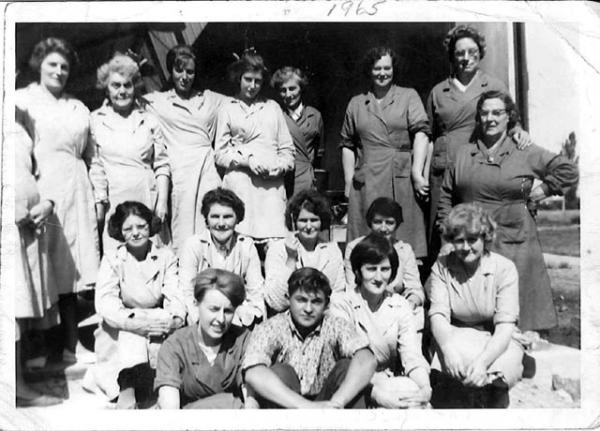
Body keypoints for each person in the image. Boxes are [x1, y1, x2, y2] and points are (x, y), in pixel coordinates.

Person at [436, 91, 578, 332]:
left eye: (497, 113)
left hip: (514, 238)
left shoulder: (524, 150)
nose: (490, 118)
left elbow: (568, 171)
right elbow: (447, 197)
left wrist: (542, 190)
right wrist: (447, 238)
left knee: (516, 311)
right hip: (472, 238)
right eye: (485, 113)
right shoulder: (463, 154)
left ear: (509, 117)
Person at [15, 37, 99, 364]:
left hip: (76, 188)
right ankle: (36, 350)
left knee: (71, 270)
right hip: (40, 188)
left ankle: (70, 346)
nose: (59, 71)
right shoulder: (22, 100)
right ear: (39, 65)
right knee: (38, 267)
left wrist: (99, 196)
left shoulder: (77, 106)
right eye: (52, 64)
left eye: (64, 66)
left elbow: (92, 155)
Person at [424, 25, 532, 262]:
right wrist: (422, 173)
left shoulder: (494, 86)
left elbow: (510, 122)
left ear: (480, 53)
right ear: (452, 55)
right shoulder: (438, 91)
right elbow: (428, 137)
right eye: (460, 53)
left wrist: (520, 131)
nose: (466, 58)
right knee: (443, 231)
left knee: (476, 230)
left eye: (472, 52)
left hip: (476, 170)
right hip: (442, 170)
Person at [84, 201, 186, 407]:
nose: (136, 233)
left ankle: (159, 384)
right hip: (124, 322)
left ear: (150, 226)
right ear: (120, 232)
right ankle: (126, 387)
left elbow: (174, 293)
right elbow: (106, 301)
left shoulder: (166, 256)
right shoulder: (113, 258)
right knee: (128, 332)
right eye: (128, 228)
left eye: (141, 226)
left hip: (158, 318)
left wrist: (174, 319)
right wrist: (133, 323)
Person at [426, 203, 524, 408]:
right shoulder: (442, 265)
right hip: (455, 334)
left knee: (502, 366)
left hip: (496, 337)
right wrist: (448, 350)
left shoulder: (504, 268)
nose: (465, 247)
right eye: (459, 241)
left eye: (472, 240)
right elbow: (438, 315)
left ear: (485, 238)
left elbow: (505, 326)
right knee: (453, 367)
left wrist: (482, 363)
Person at [340, 46, 430, 259]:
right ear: (369, 71)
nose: (382, 73)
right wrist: (348, 181)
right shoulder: (357, 102)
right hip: (366, 178)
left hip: (399, 176)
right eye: (377, 68)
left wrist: (417, 173)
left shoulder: (408, 96)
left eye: (387, 68)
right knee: (366, 241)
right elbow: (347, 144)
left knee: (402, 238)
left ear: (394, 69)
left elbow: (422, 134)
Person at [242, 267, 377, 408]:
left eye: (316, 301)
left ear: (327, 304)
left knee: (346, 367)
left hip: (328, 405)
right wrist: (306, 407)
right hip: (287, 407)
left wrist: (337, 403)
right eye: (301, 300)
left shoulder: (336, 325)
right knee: (281, 372)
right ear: (288, 299)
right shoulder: (271, 327)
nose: (308, 309)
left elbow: (367, 359)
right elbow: (253, 372)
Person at [330, 233, 431, 408]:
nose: (378, 278)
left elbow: (412, 355)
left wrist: (424, 387)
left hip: (390, 382)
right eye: (371, 269)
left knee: (415, 398)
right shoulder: (341, 304)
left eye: (384, 269)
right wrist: (378, 393)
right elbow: (345, 361)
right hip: (352, 386)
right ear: (357, 271)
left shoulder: (399, 305)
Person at [143, 45, 226, 254]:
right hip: (180, 169)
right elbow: (126, 94)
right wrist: (139, 68)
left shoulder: (208, 98)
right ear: (171, 71)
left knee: (213, 219)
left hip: (208, 168)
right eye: (179, 70)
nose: (184, 77)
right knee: (184, 226)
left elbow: (238, 102)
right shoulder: (158, 100)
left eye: (190, 71)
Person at [89, 53, 170, 254]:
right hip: (115, 202)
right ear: (106, 89)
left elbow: (161, 164)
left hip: (147, 199)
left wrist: (161, 203)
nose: (122, 91)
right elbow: (96, 166)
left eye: (128, 85)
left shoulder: (149, 119)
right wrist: (100, 204)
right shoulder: (95, 121)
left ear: (135, 87)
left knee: (154, 260)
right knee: (121, 262)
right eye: (116, 86)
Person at [215, 48, 295, 246]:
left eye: (257, 81)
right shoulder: (228, 107)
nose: (252, 86)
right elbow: (220, 153)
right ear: (239, 78)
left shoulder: (273, 107)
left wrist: (280, 168)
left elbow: (287, 151)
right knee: (241, 243)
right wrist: (246, 161)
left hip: (271, 188)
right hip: (241, 185)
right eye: (248, 79)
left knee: (275, 245)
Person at [14, 122, 62, 407]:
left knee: (19, 307)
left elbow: (34, 173)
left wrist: (46, 204)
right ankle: (14, 388)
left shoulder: (20, 128)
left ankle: (18, 378)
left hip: (26, 229)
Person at [155, 268, 251, 409]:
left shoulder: (242, 340)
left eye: (228, 311)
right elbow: (170, 410)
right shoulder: (175, 346)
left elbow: (251, 403)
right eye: (214, 309)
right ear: (196, 303)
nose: (221, 319)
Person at [178, 188, 264, 327]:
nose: (221, 223)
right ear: (206, 219)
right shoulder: (193, 245)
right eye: (215, 216)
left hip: (237, 317)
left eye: (228, 217)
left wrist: (251, 317)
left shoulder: (246, 246)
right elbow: (186, 292)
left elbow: (256, 293)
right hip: (203, 318)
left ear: (237, 219)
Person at [264, 189, 345, 313]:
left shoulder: (332, 251)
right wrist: (291, 259)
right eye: (303, 221)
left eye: (313, 220)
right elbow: (276, 302)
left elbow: (338, 296)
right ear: (294, 221)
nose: (308, 226)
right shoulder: (277, 249)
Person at [343, 197, 424, 309]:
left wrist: (411, 302)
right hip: (362, 306)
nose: (383, 228)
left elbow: (415, 288)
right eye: (377, 222)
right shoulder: (355, 247)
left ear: (397, 224)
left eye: (389, 223)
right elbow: (352, 286)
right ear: (370, 223)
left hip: (396, 308)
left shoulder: (404, 250)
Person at [270, 66, 324, 198]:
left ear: (301, 88)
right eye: (283, 90)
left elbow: (319, 153)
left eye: (292, 88)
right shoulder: (275, 115)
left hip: (306, 179)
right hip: (282, 179)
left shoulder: (314, 116)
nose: (288, 94)